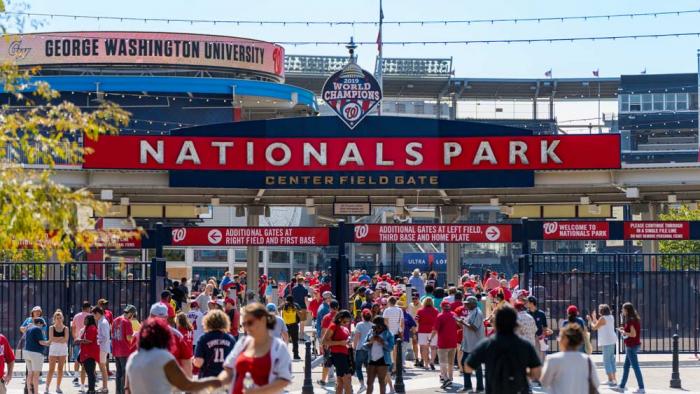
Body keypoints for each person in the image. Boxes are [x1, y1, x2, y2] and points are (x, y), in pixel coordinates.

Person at [125, 318, 222, 394]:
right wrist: (213, 382)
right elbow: (186, 385)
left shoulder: (133, 358)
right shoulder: (163, 357)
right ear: (165, 336)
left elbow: (127, 389)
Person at [218, 303, 293, 394]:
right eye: (244, 324)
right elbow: (228, 370)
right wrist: (212, 385)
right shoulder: (243, 343)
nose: (246, 328)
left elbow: (284, 380)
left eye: (250, 323)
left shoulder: (279, 347)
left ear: (262, 320)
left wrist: (257, 391)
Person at [466, 307, 542, 394]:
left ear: (496, 323)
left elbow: (468, 367)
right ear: (516, 323)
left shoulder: (487, 344)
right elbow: (537, 373)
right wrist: (523, 373)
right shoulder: (526, 345)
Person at [540, 323, 599, 394]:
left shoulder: (552, 359)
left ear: (565, 340)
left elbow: (544, 382)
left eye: (560, 337)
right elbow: (596, 383)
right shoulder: (588, 360)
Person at [194, 309, 236, 378]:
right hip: (225, 379)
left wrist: (194, 360)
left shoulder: (203, 338)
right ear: (225, 322)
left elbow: (198, 363)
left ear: (207, 322)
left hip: (207, 379)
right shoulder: (230, 339)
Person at [612, 303, 645, 393]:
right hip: (632, 345)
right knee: (626, 366)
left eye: (623, 309)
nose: (622, 311)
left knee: (635, 367)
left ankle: (641, 388)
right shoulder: (633, 319)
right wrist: (624, 329)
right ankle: (622, 386)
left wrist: (623, 332)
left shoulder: (631, 320)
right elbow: (632, 331)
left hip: (631, 346)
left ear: (627, 310)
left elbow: (633, 334)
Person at [323, 310, 353, 394]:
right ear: (339, 319)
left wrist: (348, 343)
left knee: (340, 382)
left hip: (346, 355)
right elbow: (324, 341)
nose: (346, 323)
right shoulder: (333, 326)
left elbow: (345, 341)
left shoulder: (344, 328)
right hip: (338, 355)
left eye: (348, 322)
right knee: (347, 381)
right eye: (344, 321)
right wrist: (340, 342)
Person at [458, 296, 484, 393]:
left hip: (475, 344)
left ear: (473, 303)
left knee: (477, 367)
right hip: (468, 344)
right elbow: (467, 325)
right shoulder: (471, 311)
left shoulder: (477, 312)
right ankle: (468, 386)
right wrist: (461, 321)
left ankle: (480, 388)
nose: (465, 305)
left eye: (467, 303)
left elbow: (474, 327)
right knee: (465, 364)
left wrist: (462, 321)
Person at [363, 316, 394, 394]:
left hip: (383, 360)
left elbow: (390, 348)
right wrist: (370, 342)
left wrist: (382, 341)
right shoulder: (371, 332)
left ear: (382, 325)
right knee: (369, 382)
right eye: (375, 325)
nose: (376, 328)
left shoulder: (388, 333)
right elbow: (364, 346)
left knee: (381, 382)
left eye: (378, 326)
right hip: (371, 360)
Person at [588, 304, 617, 386]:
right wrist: (594, 318)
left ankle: (610, 380)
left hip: (606, 341)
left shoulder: (603, 318)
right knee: (611, 359)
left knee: (606, 360)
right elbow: (599, 324)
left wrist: (590, 320)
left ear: (602, 311)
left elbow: (594, 327)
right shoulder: (611, 317)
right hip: (612, 340)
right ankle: (614, 379)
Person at [432, 300, 458, 388]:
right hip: (453, 341)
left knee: (442, 362)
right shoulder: (454, 315)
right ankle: (450, 377)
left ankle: (446, 378)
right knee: (451, 362)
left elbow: (435, 330)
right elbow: (459, 326)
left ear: (442, 307)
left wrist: (430, 339)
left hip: (443, 342)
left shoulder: (440, 316)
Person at [111, 305, 136, 394]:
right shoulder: (127, 322)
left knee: (118, 373)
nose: (132, 317)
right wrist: (135, 335)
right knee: (125, 374)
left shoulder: (115, 320)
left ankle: (118, 391)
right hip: (125, 351)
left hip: (116, 350)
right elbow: (129, 338)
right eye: (133, 315)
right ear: (130, 314)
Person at [24, 318, 49, 394]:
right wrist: (50, 343)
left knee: (30, 373)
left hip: (27, 352)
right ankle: (36, 392)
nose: (42, 327)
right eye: (42, 325)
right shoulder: (38, 329)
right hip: (36, 353)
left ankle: (29, 391)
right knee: (36, 374)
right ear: (39, 323)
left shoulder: (28, 329)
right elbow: (41, 342)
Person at [47, 309, 69, 394]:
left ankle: (58, 387)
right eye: (57, 317)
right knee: (51, 369)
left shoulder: (66, 328)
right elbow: (51, 339)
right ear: (54, 319)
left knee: (60, 369)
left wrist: (57, 339)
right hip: (53, 350)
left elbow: (66, 339)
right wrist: (60, 338)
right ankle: (47, 387)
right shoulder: (51, 327)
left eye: (60, 318)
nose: (59, 319)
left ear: (62, 318)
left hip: (62, 350)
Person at [76, 314, 99, 394]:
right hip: (86, 353)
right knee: (89, 372)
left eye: (86, 319)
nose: (84, 321)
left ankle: (91, 389)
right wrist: (80, 340)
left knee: (90, 373)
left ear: (89, 320)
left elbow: (89, 340)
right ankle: (91, 389)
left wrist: (79, 341)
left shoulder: (91, 328)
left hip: (90, 354)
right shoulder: (87, 328)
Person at [71, 301, 91, 388]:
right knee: (86, 358)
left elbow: (73, 327)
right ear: (88, 308)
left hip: (77, 340)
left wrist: (75, 337)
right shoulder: (90, 316)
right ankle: (88, 375)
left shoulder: (76, 316)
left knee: (77, 358)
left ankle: (76, 376)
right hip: (86, 341)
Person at [353, 309, 374, 393]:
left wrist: (354, 348)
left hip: (360, 348)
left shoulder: (359, 325)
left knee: (358, 368)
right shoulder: (373, 325)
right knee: (368, 368)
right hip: (370, 349)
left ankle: (362, 385)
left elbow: (356, 338)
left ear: (362, 316)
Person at [526, 296, 552, 362]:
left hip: (539, 339)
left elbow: (545, 327)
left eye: (527, 302)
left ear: (532, 303)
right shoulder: (526, 313)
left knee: (541, 358)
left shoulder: (541, 314)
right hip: (529, 338)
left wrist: (544, 334)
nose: (526, 303)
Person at [415, 296, 438, 370]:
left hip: (422, 331)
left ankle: (426, 364)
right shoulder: (436, 311)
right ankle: (432, 362)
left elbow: (416, 320)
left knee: (424, 348)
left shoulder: (420, 311)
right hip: (433, 331)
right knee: (433, 347)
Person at [382, 296, 404, 370]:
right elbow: (402, 322)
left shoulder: (386, 310)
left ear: (389, 302)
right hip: (396, 332)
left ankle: (389, 366)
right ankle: (395, 366)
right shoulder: (400, 310)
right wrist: (401, 331)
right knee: (396, 350)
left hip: (388, 332)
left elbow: (385, 322)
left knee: (388, 349)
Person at [92, 307, 111, 393]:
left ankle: (105, 388)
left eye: (94, 314)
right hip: (102, 347)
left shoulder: (103, 322)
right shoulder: (101, 321)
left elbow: (105, 337)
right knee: (102, 367)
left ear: (98, 313)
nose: (93, 316)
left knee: (102, 368)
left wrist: (96, 339)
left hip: (102, 348)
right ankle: (104, 387)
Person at [175, 312, 195, 378]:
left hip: (183, 356)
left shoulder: (179, 331)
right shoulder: (190, 330)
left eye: (176, 320)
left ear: (179, 321)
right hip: (190, 354)